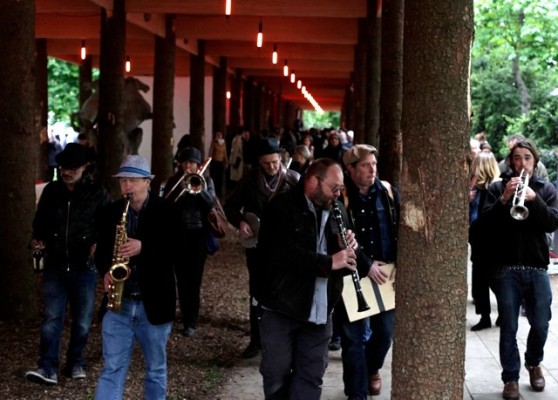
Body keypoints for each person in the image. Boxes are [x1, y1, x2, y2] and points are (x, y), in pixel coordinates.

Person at [257, 158, 370, 399]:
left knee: (311, 375)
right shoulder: (281, 208)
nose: (338, 194)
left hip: (321, 309)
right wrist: (329, 262)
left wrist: (348, 248)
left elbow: (345, 259)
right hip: (282, 306)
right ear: (313, 181)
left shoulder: (337, 209)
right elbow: (281, 255)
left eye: (340, 188)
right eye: (334, 187)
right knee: (275, 372)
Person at [94, 155, 179, 400]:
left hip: (154, 304)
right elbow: (102, 254)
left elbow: (178, 251)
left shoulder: (167, 211)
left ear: (147, 182)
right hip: (119, 304)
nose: (127, 186)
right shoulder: (111, 212)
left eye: (132, 180)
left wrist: (145, 247)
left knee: (155, 369)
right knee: (112, 369)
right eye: (122, 181)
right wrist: (106, 272)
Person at [25, 143, 111, 385]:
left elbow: (109, 227)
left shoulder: (98, 193)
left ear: (85, 167)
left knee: (83, 319)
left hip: (84, 267)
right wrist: (36, 240)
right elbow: (39, 221)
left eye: (72, 167)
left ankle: (76, 361)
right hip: (55, 265)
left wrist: (99, 246)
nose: (66, 171)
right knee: (52, 317)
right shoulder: (52, 192)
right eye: (63, 166)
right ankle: (47, 366)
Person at [482, 139, 558, 400]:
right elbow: (486, 225)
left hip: (537, 268)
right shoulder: (496, 187)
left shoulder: (546, 189)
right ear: (510, 161)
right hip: (505, 269)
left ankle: (534, 362)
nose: (522, 163)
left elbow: (551, 223)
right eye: (517, 158)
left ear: (534, 161)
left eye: (527, 158)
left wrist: (534, 200)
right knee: (509, 328)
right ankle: (510, 379)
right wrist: (504, 199)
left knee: (541, 324)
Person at [224, 137, 300, 359]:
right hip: (257, 247)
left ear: (281, 159)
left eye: (275, 162)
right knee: (257, 293)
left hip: (286, 248)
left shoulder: (293, 180)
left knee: (285, 292)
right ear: (259, 162)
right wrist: (241, 221)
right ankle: (256, 340)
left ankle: (284, 341)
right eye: (266, 163)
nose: (272, 167)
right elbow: (230, 206)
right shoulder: (248, 180)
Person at [340, 144, 400, 398]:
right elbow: (338, 234)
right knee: (353, 340)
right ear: (350, 169)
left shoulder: (387, 191)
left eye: (374, 164)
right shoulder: (341, 196)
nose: (371, 169)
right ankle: (356, 393)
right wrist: (366, 264)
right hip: (353, 273)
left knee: (385, 333)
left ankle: (372, 369)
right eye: (365, 165)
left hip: (386, 273)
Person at [163, 147, 217, 337]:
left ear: (198, 164)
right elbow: (166, 204)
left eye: (192, 162)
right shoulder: (173, 180)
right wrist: (181, 187)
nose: (188, 166)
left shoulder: (206, 181)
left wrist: (197, 189)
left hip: (198, 237)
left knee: (193, 282)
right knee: (179, 280)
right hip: (177, 236)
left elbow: (211, 203)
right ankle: (175, 316)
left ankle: (190, 321)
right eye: (185, 162)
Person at [468, 152, 501, 331]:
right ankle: (485, 316)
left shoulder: (495, 187)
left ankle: (501, 312)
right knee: (480, 279)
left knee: (494, 279)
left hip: (491, 240)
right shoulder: (475, 187)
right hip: (478, 238)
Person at [208, 131, 228, 200]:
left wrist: (226, 162)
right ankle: (214, 192)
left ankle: (219, 193)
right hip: (214, 162)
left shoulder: (224, 143)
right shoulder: (214, 142)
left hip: (221, 162)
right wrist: (209, 162)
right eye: (218, 135)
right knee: (214, 178)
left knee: (220, 179)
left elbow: (225, 153)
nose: (219, 136)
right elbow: (210, 152)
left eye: (220, 135)